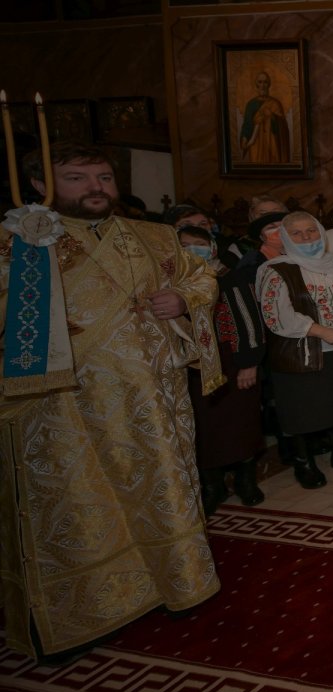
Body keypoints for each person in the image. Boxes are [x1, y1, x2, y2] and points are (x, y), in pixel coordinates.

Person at [0, 143, 222, 660]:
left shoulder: (154, 235)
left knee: (163, 486)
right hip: (63, 405)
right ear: (39, 187)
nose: (95, 186)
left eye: (102, 176)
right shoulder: (20, 242)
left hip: (153, 399)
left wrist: (184, 299)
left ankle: (177, 584)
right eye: (76, 177)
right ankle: (84, 613)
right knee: (79, 501)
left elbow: (200, 275)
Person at [256, 212, 333, 489]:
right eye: (297, 233)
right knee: (303, 409)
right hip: (304, 351)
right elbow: (276, 315)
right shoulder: (276, 270)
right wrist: (323, 332)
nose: (307, 237)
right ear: (285, 238)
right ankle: (303, 462)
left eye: (312, 231)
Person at [177, 225, 266, 514]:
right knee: (204, 426)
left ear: (212, 247)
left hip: (232, 360)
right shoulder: (172, 284)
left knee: (241, 421)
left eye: (199, 244)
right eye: (185, 245)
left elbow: (250, 321)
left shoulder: (230, 277)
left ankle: (246, 480)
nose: (193, 250)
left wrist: (248, 362)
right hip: (195, 363)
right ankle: (212, 484)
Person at [240, 71, 290, 163]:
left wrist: (272, 116)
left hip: (271, 144)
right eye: (260, 82)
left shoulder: (275, 104)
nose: (262, 85)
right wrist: (244, 138)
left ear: (269, 84)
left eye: (265, 82)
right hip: (256, 145)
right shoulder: (251, 104)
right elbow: (247, 124)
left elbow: (283, 127)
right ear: (256, 85)